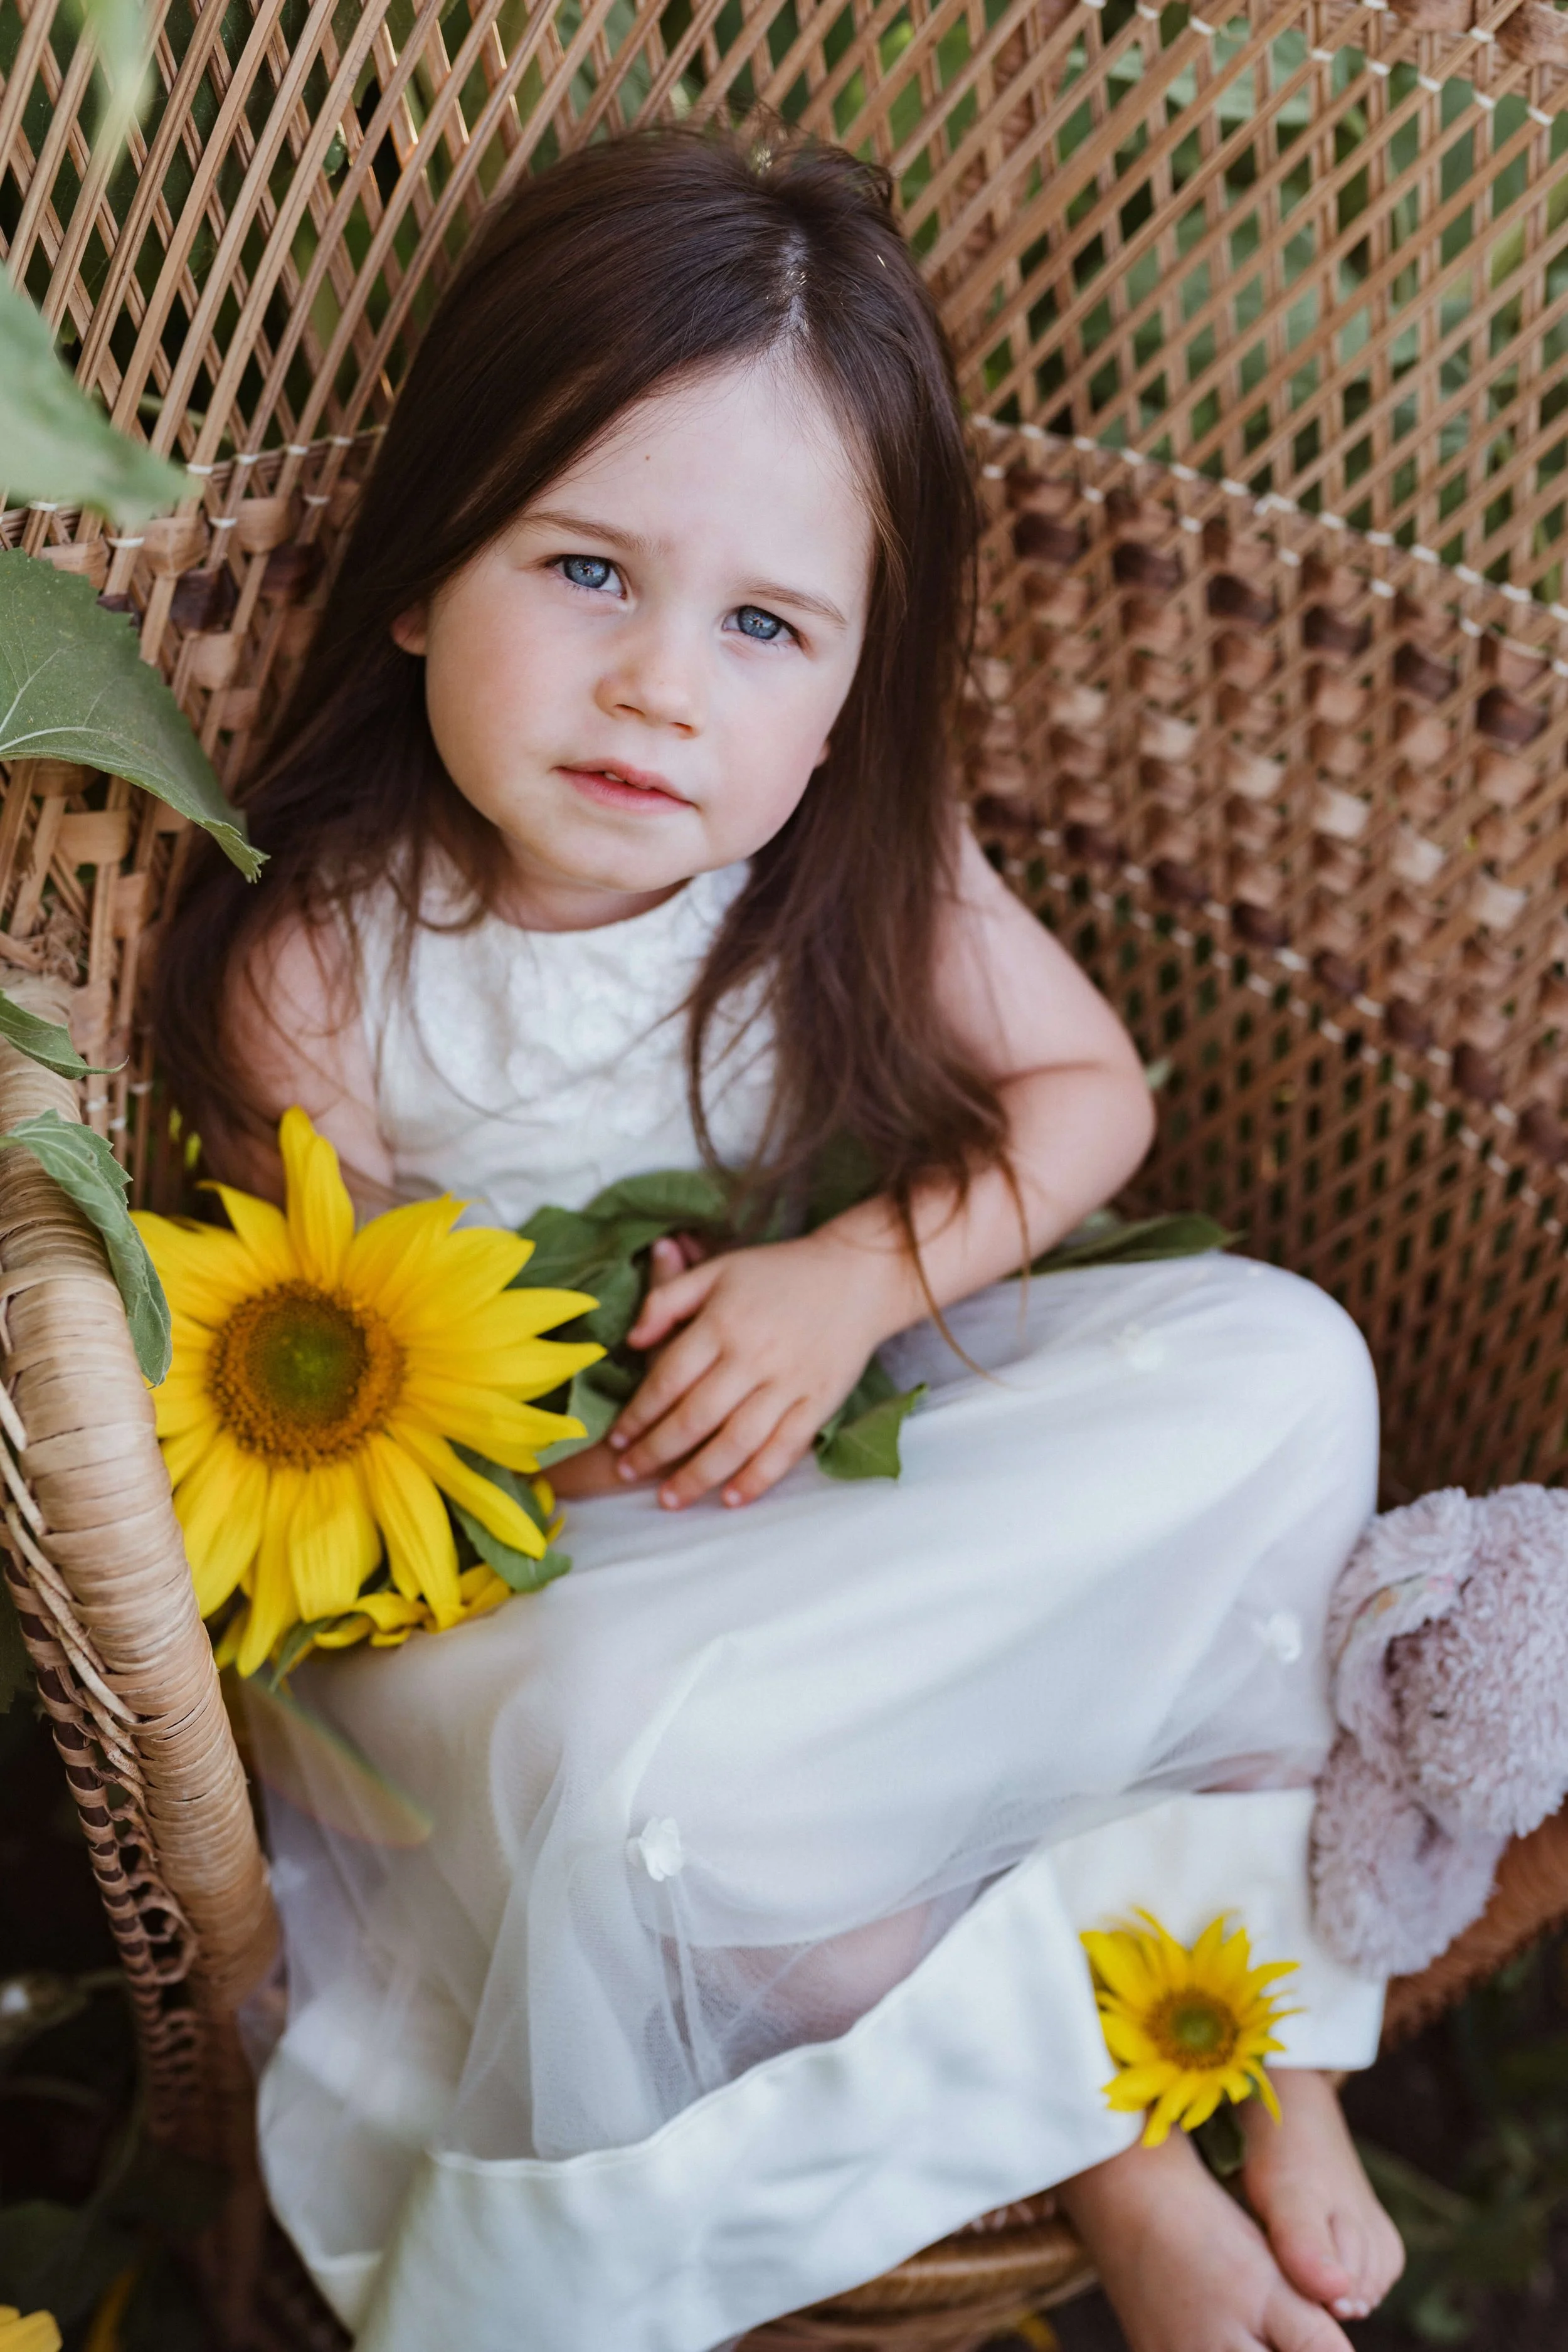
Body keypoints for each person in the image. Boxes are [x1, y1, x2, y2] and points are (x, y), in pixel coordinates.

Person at [156, 127, 1404, 2352]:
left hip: (826, 1451)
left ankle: (1287, 2061)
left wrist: (852, 1280)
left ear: (842, 692)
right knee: (642, 1764)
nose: (660, 686)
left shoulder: (855, 868)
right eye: (585, 571)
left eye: (759, 626)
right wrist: (541, 1472)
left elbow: (1086, 1097)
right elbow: (339, 1390)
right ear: (424, 572)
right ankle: (1118, 2145)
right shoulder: (325, 969)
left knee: (1285, 1360)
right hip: (535, 1577)